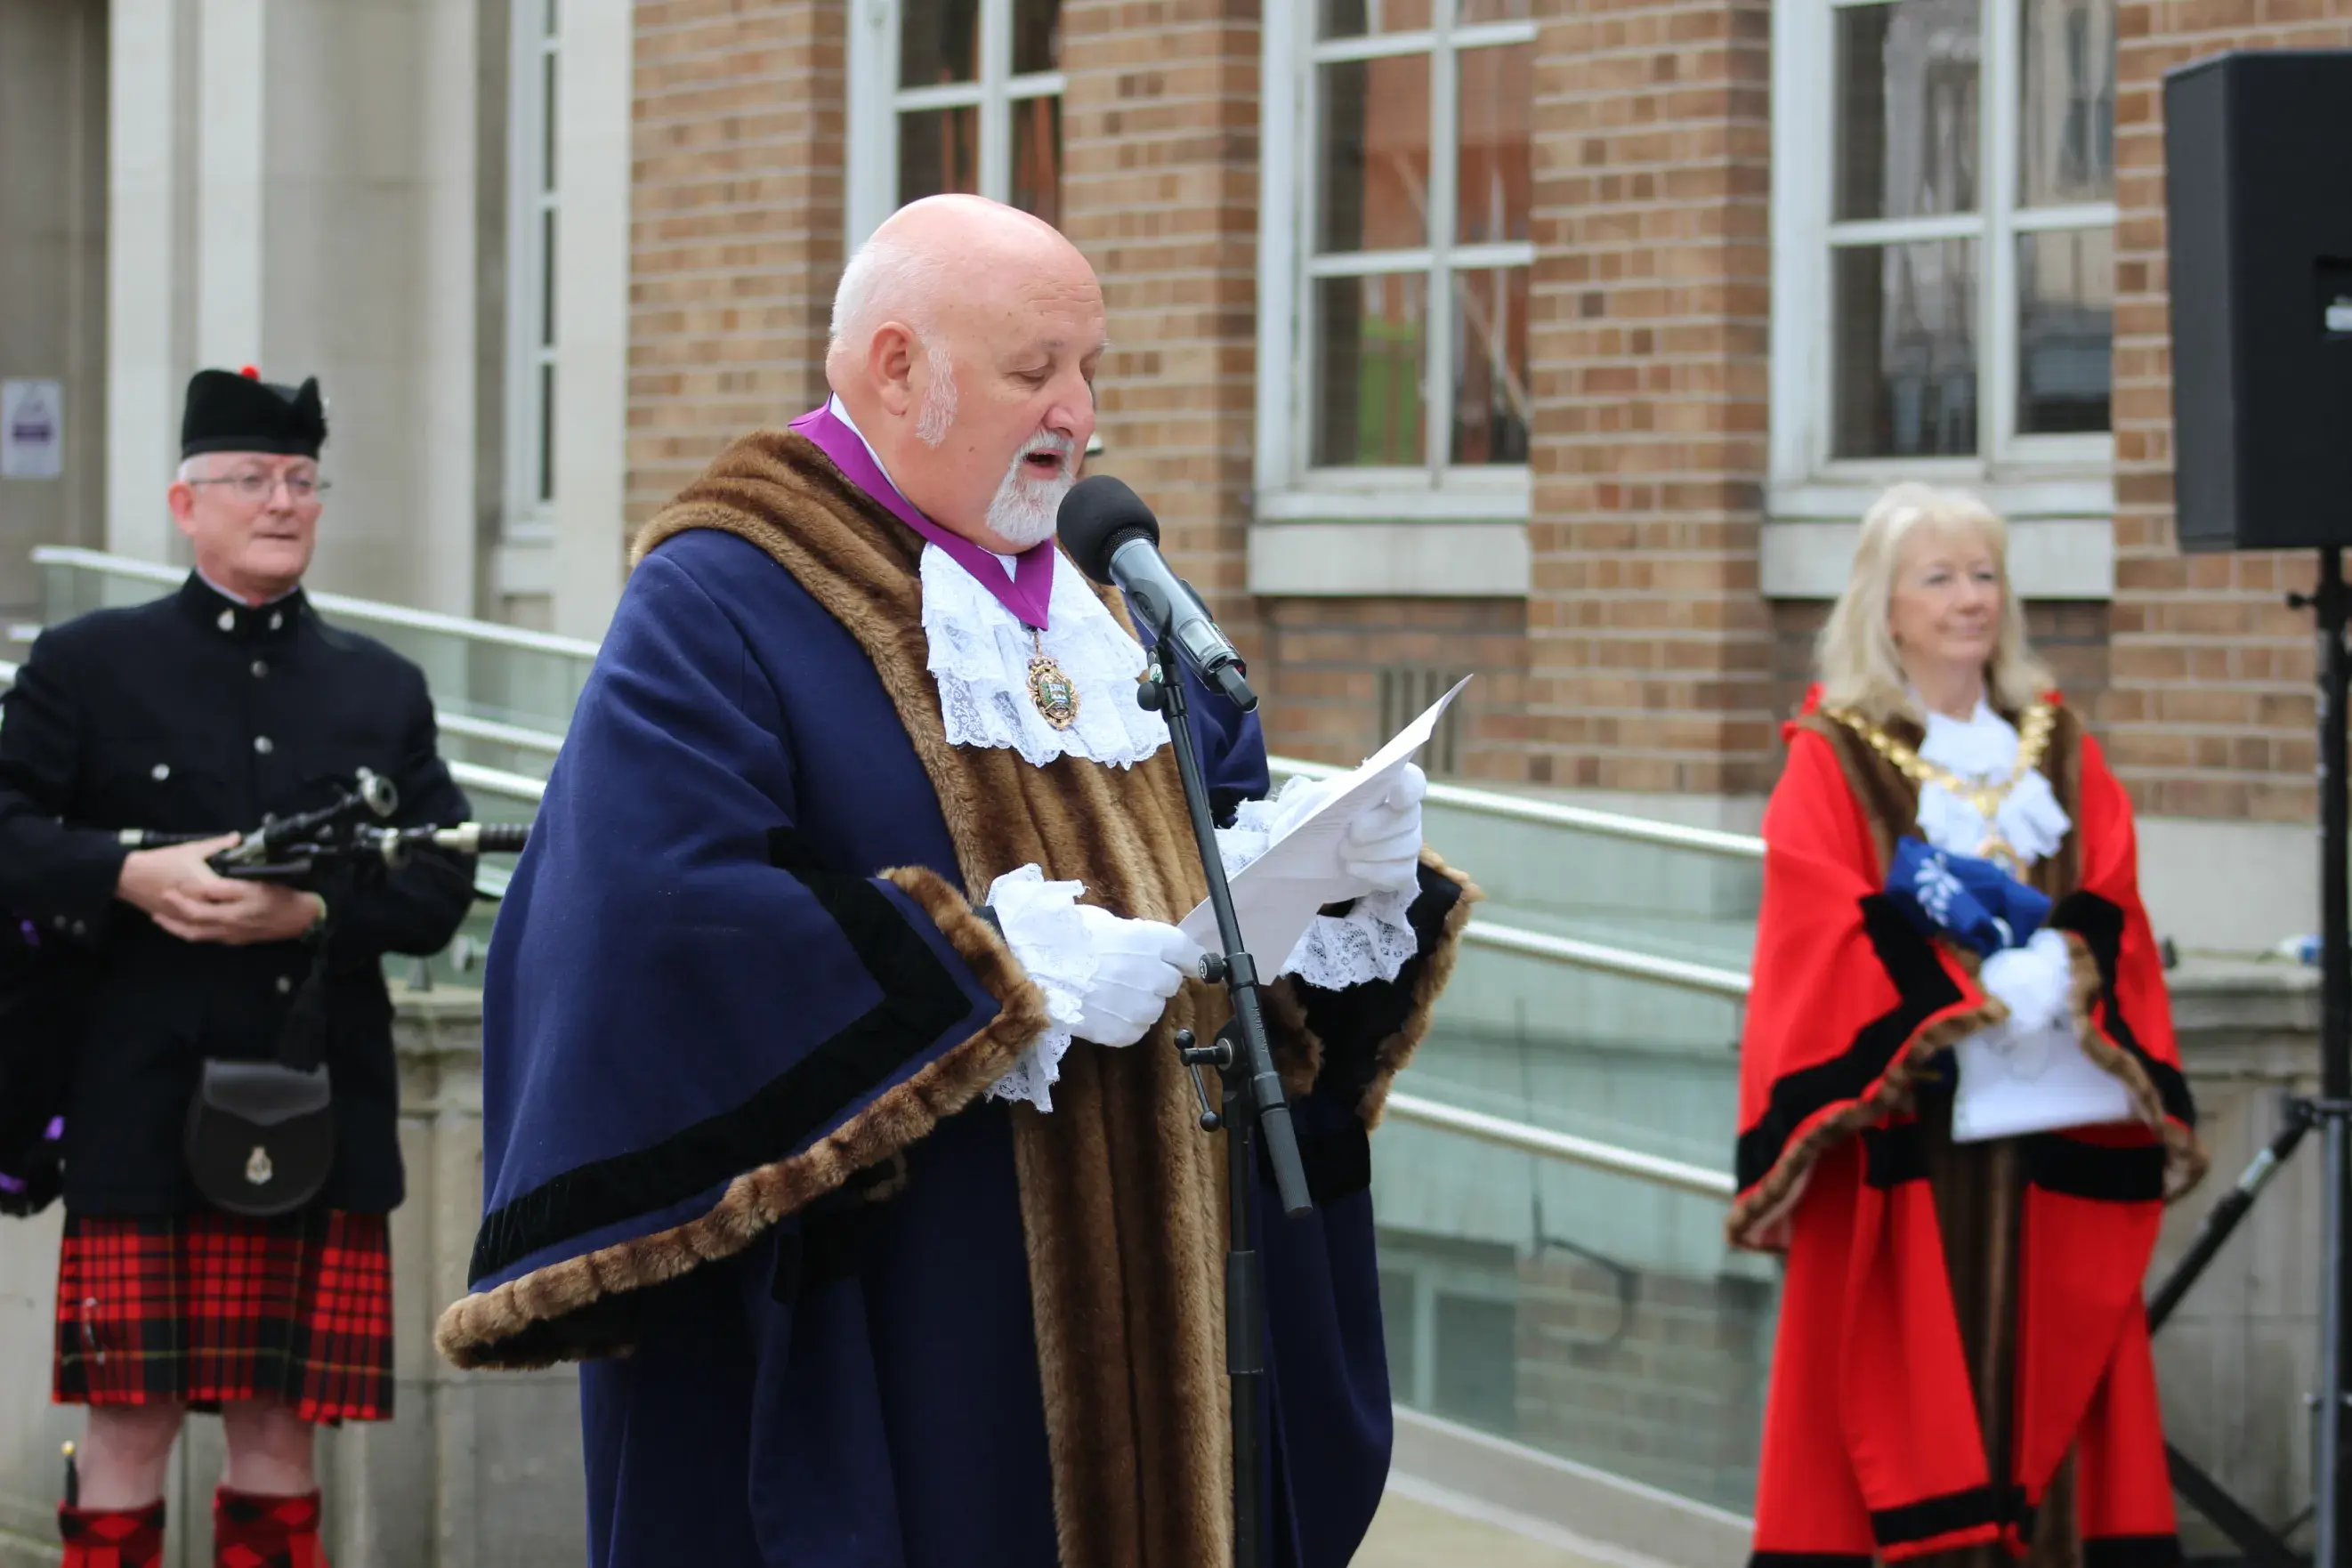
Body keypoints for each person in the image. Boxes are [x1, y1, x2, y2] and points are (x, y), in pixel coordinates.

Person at [435, 194, 1475, 1568]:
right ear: (892, 367)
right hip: (919, 1310)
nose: (1079, 412)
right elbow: (646, 920)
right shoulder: (722, 595)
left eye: (1091, 367)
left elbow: (1213, 839)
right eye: (1035, 368)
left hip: (1174, 1300)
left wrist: (1332, 882)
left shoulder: (1114, 601)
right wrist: (987, 969)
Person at [0, 367, 477, 1567]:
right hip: (135, 1102)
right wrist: (129, 871)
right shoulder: (84, 664)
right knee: (126, 1426)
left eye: (301, 481)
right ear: (185, 501)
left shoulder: (382, 687)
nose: (281, 501)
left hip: (313, 1104)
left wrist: (311, 910)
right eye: (252, 479)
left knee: (280, 1428)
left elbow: (436, 884)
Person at [1732, 483, 2206, 1565]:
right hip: (1913, 1142)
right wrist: (1962, 996)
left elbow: (2114, 886)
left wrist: (2071, 963)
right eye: (1938, 577)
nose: (1968, 598)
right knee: (1899, 1413)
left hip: (2052, 1139)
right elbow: (1820, 916)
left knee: (2055, 1396)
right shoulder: (1833, 752)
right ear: (1885, 606)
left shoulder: (2059, 745)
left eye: (1983, 573)